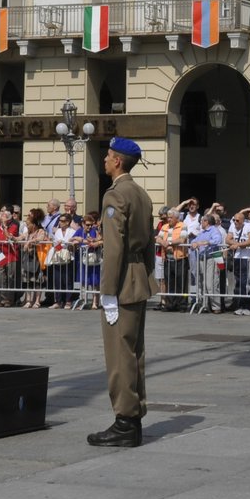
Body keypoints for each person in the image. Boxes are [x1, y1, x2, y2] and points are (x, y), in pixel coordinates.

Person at [89, 137, 156, 448]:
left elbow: (114, 248)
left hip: (122, 280)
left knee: (119, 356)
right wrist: (149, 276)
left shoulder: (116, 195)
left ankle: (125, 421)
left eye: (107, 156)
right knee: (134, 352)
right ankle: (134, 417)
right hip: (138, 277)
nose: (104, 160)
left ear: (117, 161)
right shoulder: (141, 194)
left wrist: (108, 291)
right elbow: (150, 245)